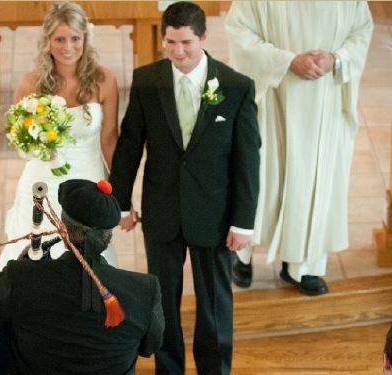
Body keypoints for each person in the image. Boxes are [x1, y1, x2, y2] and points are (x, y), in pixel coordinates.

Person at [109, 2, 260, 374]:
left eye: (187, 43)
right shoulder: (147, 81)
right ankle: (169, 369)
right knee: (162, 303)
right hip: (163, 211)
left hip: (216, 214)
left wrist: (243, 222)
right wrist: (122, 203)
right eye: (171, 42)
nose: (178, 51)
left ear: (204, 38)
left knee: (214, 306)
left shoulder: (236, 87)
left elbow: (248, 161)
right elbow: (130, 145)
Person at [225, 2, 373, 295]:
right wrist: (287, 61)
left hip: (324, 100)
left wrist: (337, 58)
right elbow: (239, 30)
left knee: (312, 181)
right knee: (263, 177)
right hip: (273, 98)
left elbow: (362, 29)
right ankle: (242, 254)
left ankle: (302, 266)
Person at [0, 179, 165, 374]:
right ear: (108, 237)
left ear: (62, 228)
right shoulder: (146, 290)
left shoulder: (20, 278)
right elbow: (148, 348)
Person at [0, 1, 119, 269]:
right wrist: (37, 146)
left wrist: (119, 193)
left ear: (85, 39)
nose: (68, 47)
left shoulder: (104, 80)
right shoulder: (31, 83)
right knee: (34, 251)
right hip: (42, 177)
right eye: (60, 39)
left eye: (75, 38)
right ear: (47, 41)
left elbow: (110, 139)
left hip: (88, 176)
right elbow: (18, 137)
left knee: (87, 258)